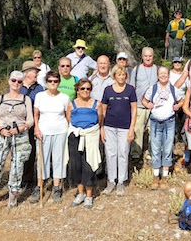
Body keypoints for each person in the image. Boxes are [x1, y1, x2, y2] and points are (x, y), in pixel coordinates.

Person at [0, 71, 34, 209]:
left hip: (20, 136)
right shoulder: (1, 98)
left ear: (22, 83)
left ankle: (13, 194)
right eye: (14, 80)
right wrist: (0, 129)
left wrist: (20, 128)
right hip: (2, 136)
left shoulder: (25, 99)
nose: (16, 83)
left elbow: (30, 120)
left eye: (19, 81)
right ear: (9, 81)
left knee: (17, 166)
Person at [29, 71, 70, 204]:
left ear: (59, 82)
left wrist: (69, 130)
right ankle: (40, 185)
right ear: (46, 82)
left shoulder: (64, 97)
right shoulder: (40, 96)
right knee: (42, 158)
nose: (53, 83)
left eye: (55, 81)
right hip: (43, 131)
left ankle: (57, 187)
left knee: (58, 158)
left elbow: (67, 115)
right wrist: (36, 128)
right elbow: (36, 114)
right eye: (50, 81)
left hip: (60, 130)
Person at [64, 78, 103, 209]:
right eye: (82, 89)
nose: (85, 91)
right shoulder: (71, 104)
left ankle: (89, 195)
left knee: (88, 165)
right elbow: (69, 119)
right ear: (77, 90)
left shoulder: (96, 104)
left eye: (88, 88)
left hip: (91, 137)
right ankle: (80, 193)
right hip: (75, 137)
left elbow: (100, 120)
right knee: (76, 165)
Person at [142, 67, 183, 189]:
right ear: (157, 75)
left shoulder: (173, 89)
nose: (163, 75)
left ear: (169, 75)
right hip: (155, 122)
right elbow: (144, 100)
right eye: (161, 73)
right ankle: (156, 177)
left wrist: (178, 106)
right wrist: (147, 104)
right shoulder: (153, 88)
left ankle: (164, 178)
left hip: (169, 122)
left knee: (167, 149)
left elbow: (181, 101)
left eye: (165, 73)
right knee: (155, 149)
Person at [101, 66, 137, 196]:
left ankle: (121, 181)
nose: (121, 77)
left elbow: (134, 110)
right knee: (111, 154)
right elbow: (103, 110)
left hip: (125, 127)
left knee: (123, 152)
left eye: (123, 75)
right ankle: (111, 181)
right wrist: (101, 128)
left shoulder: (130, 90)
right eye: (119, 74)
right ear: (114, 75)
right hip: (109, 126)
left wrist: (132, 128)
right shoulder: (108, 90)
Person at [129, 47, 158, 160]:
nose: (148, 58)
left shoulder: (157, 69)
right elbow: (132, 88)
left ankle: (151, 152)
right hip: (139, 106)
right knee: (137, 129)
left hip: (154, 106)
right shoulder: (136, 70)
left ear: (153, 56)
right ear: (142, 56)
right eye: (146, 56)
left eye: (150, 56)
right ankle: (136, 153)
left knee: (153, 130)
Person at [20, 61, 45, 191]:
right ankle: (18, 178)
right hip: (18, 125)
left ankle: (28, 179)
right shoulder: (17, 86)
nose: (37, 74)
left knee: (31, 152)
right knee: (18, 153)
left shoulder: (39, 88)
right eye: (35, 72)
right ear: (27, 73)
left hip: (33, 124)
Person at [169, 56, 189, 142]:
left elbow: (188, 87)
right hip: (171, 101)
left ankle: (181, 139)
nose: (177, 64)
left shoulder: (184, 75)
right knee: (172, 121)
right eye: (175, 62)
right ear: (172, 63)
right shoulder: (169, 74)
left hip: (183, 101)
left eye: (179, 62)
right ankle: (173, 139)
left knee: (183, 120)